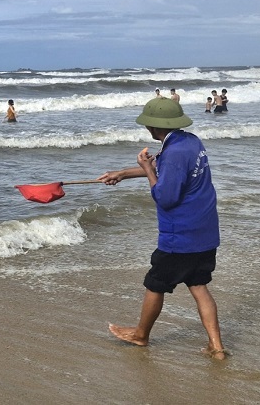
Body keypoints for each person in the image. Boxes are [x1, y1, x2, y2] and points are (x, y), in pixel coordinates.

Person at [98, 97, 227, 360]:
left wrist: (146, 169)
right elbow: (161, 166)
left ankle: (141, 335)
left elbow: (164, 196)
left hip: (180, 235)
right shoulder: (189, 142)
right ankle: (217, 346)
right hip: (205, 232)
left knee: (155, 283)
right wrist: (123, 173)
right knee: (199, 285)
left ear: (152, 128)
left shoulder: (175, 153)